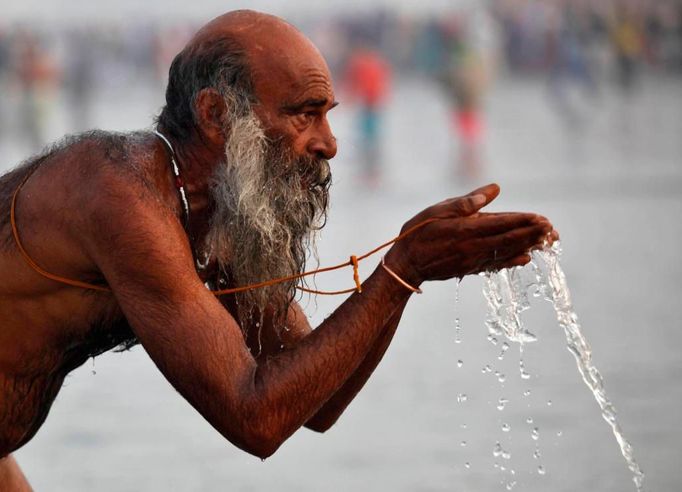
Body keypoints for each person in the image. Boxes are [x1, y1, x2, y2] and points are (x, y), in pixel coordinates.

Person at [0, 11, 555, 490]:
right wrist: (404, 267)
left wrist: (412, 271)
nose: (329, 143)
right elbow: (255, 421)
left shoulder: (218, 215)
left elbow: (316, 404)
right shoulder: (118, 194)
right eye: (303, 113)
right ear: (216, 115)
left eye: (328, 113)